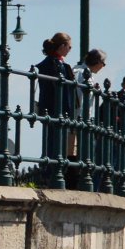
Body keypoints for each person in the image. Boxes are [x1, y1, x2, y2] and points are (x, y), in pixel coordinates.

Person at [35, 32, 75, 164]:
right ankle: (54, 171)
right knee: (56, 143)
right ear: (62, 46)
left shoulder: (49, 64)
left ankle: (50, 170)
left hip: (49, 108)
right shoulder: (56, 65)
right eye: (69, 47)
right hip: (57, 109)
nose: (70, 50)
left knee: (52, 142)